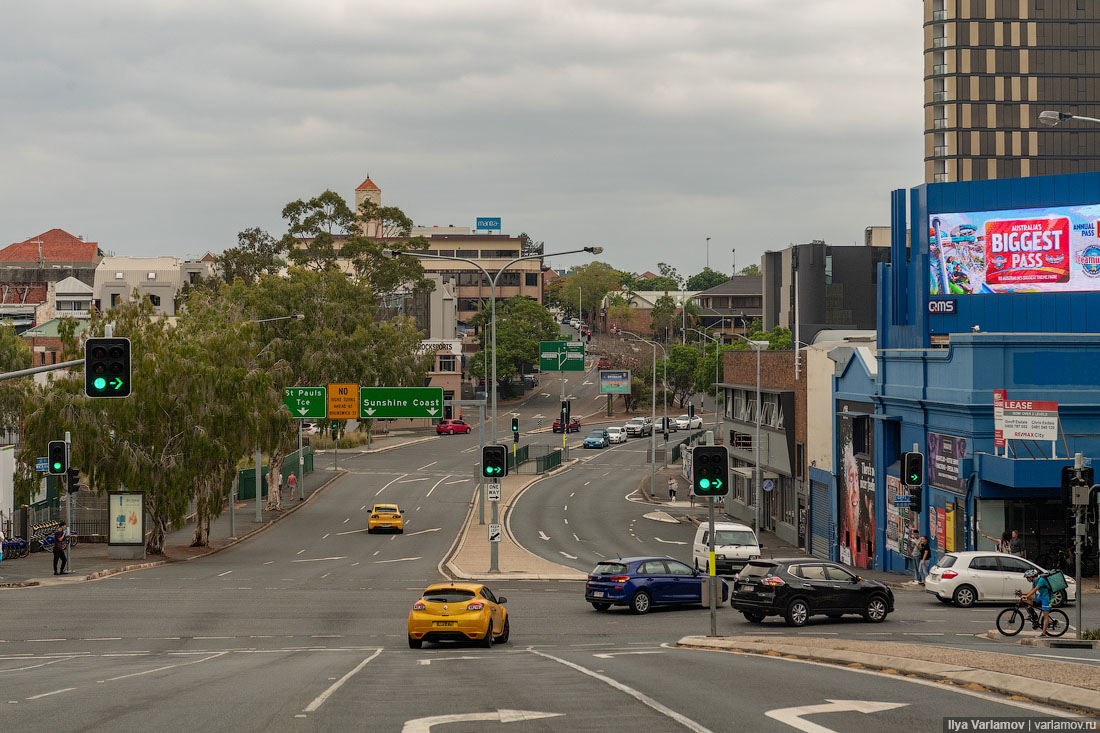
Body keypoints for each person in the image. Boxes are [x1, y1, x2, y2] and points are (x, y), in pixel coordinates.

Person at [1022, 568, 1052, 636]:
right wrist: (1023, 594)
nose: (1027, 580)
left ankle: (1044, 633)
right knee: (1029, 597)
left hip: (1048, 599)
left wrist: (1026, 596)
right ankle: (1033, 615)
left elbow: (1035, 589)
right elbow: (1031, 591)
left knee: (1045, 616)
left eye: (1027, 578)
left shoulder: (1041, 580)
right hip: (1042, 596)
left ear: (1031, 577)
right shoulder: (1034, 582)